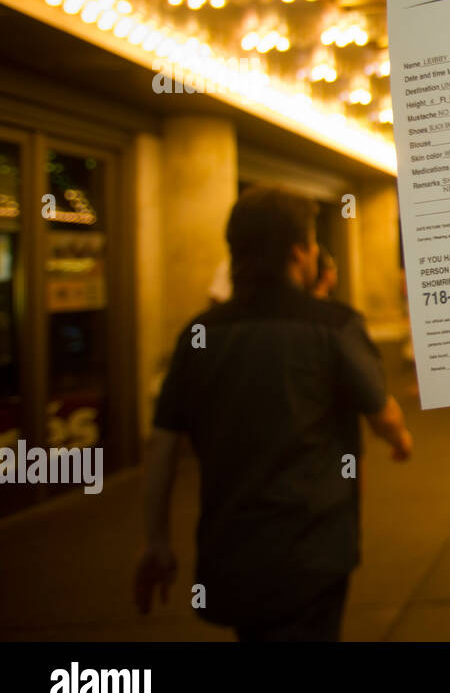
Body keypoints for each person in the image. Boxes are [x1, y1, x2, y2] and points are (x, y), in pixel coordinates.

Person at [134, 186, 413, 641]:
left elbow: (163, 443)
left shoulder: (200, 334)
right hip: (312, 549)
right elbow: (381, 413)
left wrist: (157, 540)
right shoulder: (333, 325)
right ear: (300, 251)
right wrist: (401, 439)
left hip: (230, 548)